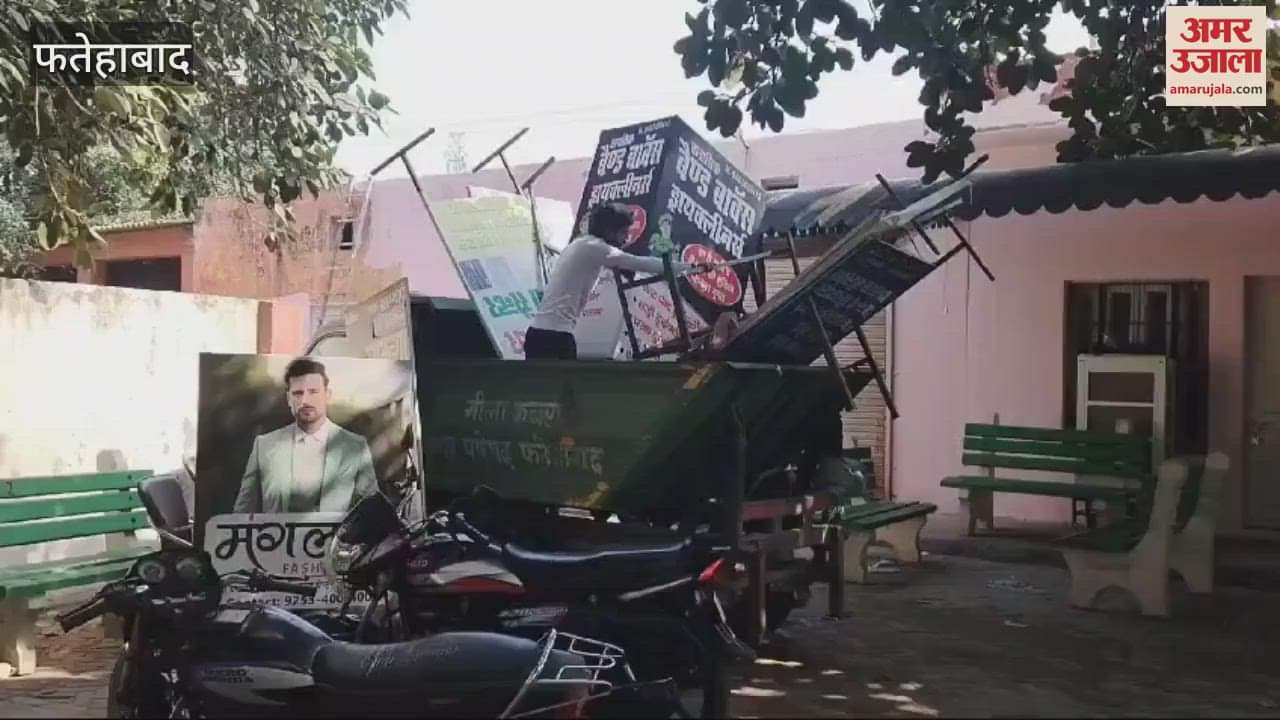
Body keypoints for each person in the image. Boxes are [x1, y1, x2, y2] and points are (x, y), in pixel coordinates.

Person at [524, 203, 710, 360]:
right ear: (609, 231)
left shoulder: (579, 244)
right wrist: (691, 267)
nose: (626, 238)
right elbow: (641, 263)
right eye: (623, 232)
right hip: (556, 338)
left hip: (538, 334)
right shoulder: (596, 248)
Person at [233, 358, 378, 514]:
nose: (305, 400)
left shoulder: (355, 447)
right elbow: (242, 513)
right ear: (289, 399)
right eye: (298, 393)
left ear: (327, 395)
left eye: (313, 392)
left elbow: (371, 512)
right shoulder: (264, 446)